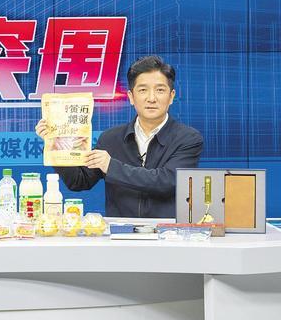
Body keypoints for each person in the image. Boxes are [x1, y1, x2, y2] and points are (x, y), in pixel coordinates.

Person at [35, 55, 203, 218]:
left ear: (171, 96)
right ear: (131, 97)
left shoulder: (188, 138)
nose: (151, 98)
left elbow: (168, 181)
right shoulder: (110, 139)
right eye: (143, 90)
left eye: (160, 90)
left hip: (168, 232)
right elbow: (79, 181)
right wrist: (55, 143)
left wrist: (111, 166)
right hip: (120, 232)